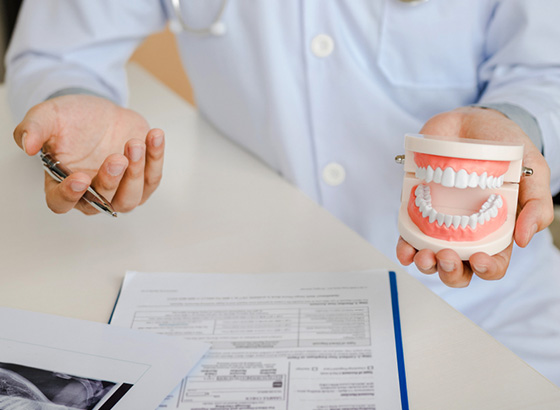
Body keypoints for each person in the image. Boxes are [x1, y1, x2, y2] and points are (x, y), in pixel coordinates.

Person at [5, 0, 560, 385]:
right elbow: (57, 49)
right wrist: (72, 100)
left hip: (494, 309)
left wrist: (512, 127)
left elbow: (546, 65)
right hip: (259, 292)